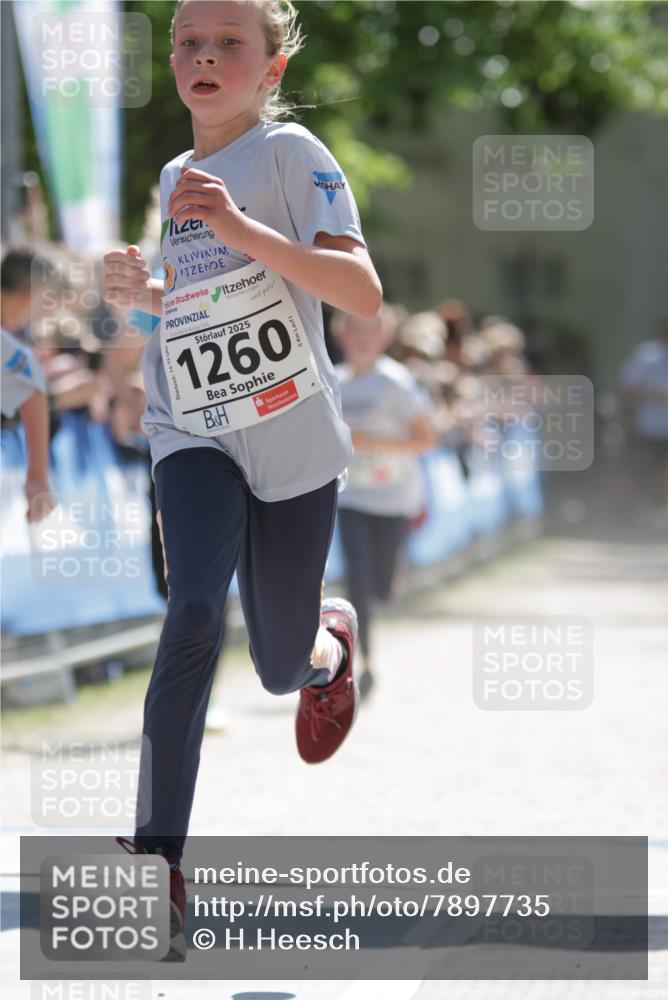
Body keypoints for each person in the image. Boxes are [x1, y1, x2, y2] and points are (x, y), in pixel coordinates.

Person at [102, 0, 382, 960]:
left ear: (272, 65)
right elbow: (191, 309)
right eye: (188, 43)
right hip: (192, 427)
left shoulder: (292, 154)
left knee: (273, 668)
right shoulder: (176, 175)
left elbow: (358, 294)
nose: (205, 58)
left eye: (230, 44)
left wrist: (241, 225)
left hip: (293, 435)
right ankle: (159, 860)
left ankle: (325, 649)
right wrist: (138, 299)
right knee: (189, 615)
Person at [332, 306, 436, 698]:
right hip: (352, 496)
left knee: (382, 588)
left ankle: (391, 579)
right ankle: (366, 662)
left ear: (384, 337)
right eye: (355, 328)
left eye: (371, 330)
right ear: (341, 336)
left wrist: (371, 443)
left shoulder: (397, 382)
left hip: (393, 499)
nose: (362, 337)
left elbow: (426, 441)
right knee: (357, 578)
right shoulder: (333, 381)